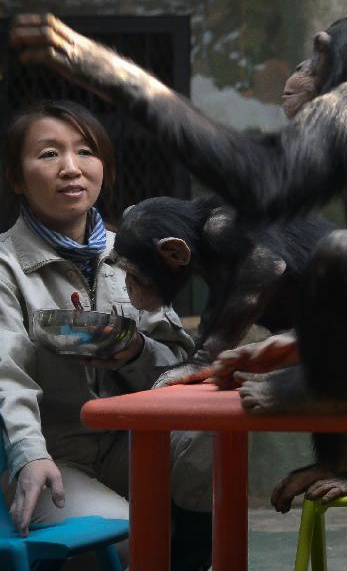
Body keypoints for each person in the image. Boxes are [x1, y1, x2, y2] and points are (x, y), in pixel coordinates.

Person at [0, 100, 212, 570]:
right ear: (17, 177)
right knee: (129, 536)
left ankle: (198, 559)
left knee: (215, 441)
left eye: (85, 151)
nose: (71, 168)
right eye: (49, 154)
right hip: (54, 454)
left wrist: (135, 351)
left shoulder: (131, 251)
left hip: (130, 442)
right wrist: (28, 454)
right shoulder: (5, 268)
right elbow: (6, 374)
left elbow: (181, 360)